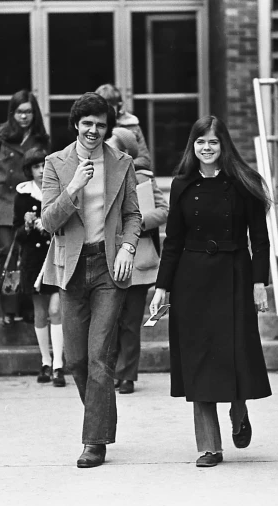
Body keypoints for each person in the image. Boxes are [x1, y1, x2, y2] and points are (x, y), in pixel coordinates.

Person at [149, 115, 272, 467]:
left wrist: (258, 284)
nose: (206, 147)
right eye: (200, 141)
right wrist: (162, 287)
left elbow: (259, 241)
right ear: (193, 146)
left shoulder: (243, 183)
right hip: (191, 282)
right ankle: (209, 446)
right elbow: (172, 242)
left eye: (213, 142)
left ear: (223, 146)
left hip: (233, 275)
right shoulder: (181, 184)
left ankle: (238, 408)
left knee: (232, 353)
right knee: (198, 360)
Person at [41, 92, 141, 468]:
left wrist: (128, 248)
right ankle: (102, 420)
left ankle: (93, 442)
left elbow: (133, 215)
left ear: (107, 127)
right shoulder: (56, 163)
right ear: (76, 125)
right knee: (77, 359)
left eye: (100, 124)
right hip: (71, 267)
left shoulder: (122, 162)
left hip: (108, 266)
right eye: (87, 124)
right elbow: (49, 221)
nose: (94, 131)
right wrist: (73, 188)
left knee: (100, 355)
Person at [0, 89, 51, 324]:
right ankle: (8, 308)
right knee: (8, 255)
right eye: (19, 112)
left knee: (30, 254)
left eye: (28, 112)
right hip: (4, 201)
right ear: (12, 113)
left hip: (32, 200)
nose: (24, 117)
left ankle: (27, 307)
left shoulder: (40, 138)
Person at [106, 127, 168, 394]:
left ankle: (127, 374)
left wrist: (138, 222)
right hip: (107, 259)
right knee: (109, 320)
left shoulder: (143, 178)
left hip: (138, 260)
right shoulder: (99, 176)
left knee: (131, 321)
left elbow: (163, 211)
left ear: (126, 152)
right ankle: (110, 370)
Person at [13, 147, 65, 387]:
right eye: (36, 167)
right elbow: (17, 235)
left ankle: (58, 365)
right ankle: (45, 360)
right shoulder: (22, 195)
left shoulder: (58, 189)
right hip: (34, 262)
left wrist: (51, 226)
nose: (41, 171)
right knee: (41, 312)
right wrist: (27, 226)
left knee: (57, 310)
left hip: (56, 257)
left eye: (44, 166)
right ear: (29, 170)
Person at [95, 84, 152, 172]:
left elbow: (144, 159)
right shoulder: (92, 127)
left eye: (110, 106)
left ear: (118, 105)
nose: (106, 111)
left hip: (128, 176)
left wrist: (122, 165)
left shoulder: (132, 126)